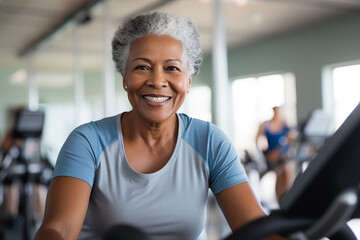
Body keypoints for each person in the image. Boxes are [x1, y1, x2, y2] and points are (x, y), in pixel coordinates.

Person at [35, 12, 282, 240]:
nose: (157, 81)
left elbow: (255, 227)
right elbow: (59, 229)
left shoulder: (210, 141)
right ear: (125, 79)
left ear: (188, 81)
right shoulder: (87, 141)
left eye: (172, 68)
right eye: (142, 67)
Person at [255, 106, 297, 203]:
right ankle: (280, 201)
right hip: (271, 156)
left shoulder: (285, 125)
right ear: (273, 112)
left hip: (284, 156)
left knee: (286, 168)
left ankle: (287, 199)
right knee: (281, 168)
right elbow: (257, 140)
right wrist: (262, 147)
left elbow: (293, 137)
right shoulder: (265, 125)